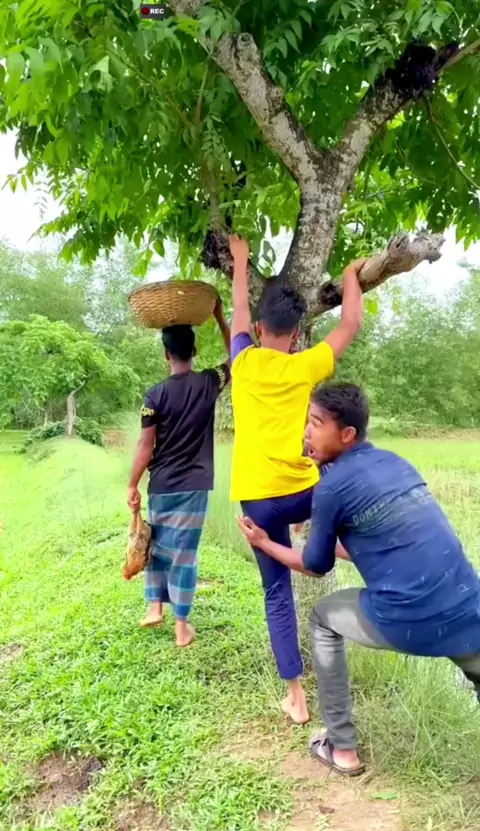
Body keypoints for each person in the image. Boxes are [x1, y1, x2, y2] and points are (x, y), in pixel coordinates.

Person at [238, 382, 480, 774]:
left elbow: (315, 566)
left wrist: (264, 542)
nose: (306, 432)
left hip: (409, 616)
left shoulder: (331, 487)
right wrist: (323, 537)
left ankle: (341, 747)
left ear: (347, 434)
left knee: (323, 619)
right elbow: (380, 546)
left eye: (316, 423)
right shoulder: (396, 463)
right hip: (470, 607)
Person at [229, 234, 366, 724]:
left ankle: (296, 697)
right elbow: (350, 323)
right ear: (295, 335)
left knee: (276, 592)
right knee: (335, 517)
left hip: (258, 499)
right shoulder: (305, 366)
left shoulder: (242, 362)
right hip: (305, 490)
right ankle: (347, 549)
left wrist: (241, 262)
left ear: (260, 328)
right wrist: (349, 276)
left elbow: (237, 308)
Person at [127, 301, 230, 647]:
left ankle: (154, 606)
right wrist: (219, 316)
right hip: (194, 485)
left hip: (161, 484)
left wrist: (132, 483)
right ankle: (181, 627)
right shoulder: (209, 382)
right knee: (184, 554)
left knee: (157, 544)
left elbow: (145, 445)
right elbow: (238, 357)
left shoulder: (154, 395)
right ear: (194, 351)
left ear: (166, 355)